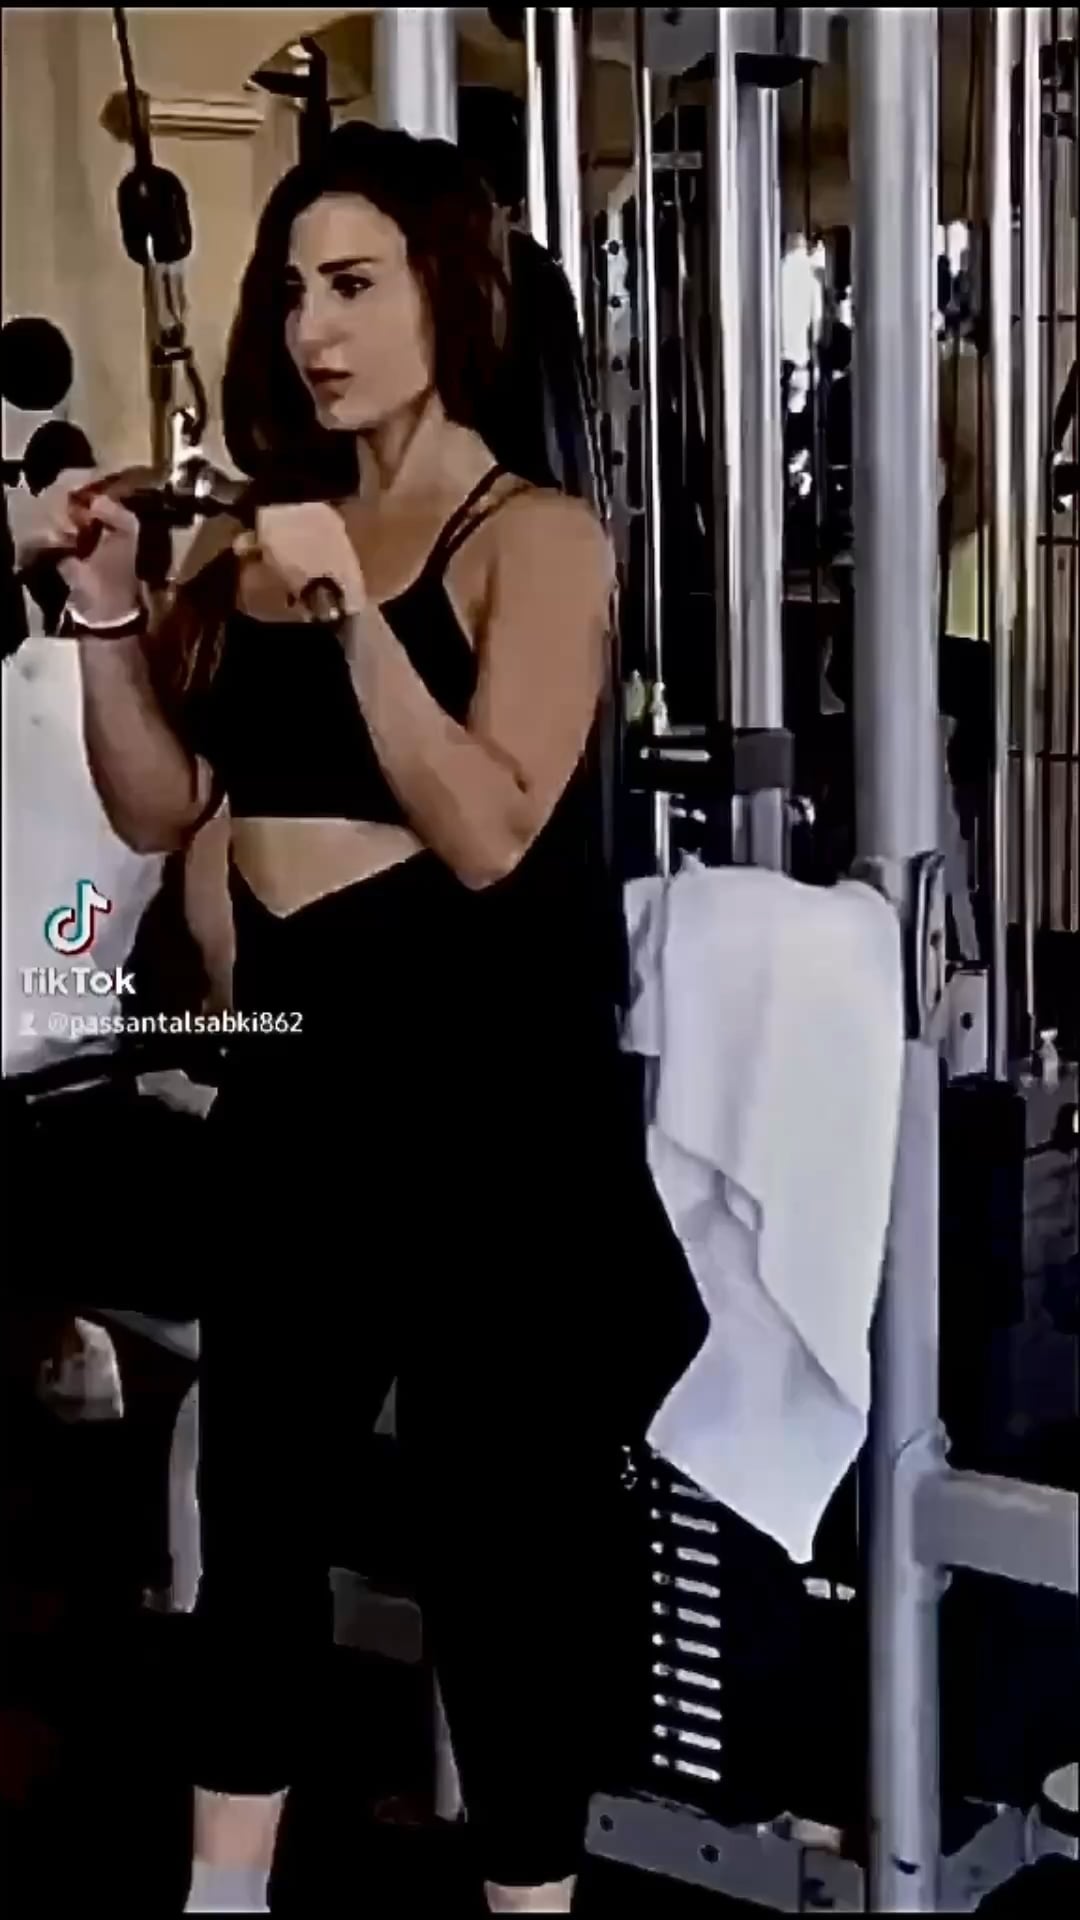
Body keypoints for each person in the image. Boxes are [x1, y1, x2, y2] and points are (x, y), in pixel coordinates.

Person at [21, 122, 705, 1914]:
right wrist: (107, 615)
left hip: (492, 1120)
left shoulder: (534, 538)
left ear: (448, 295)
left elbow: (490, 832)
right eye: (291, 291)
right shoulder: (254, 540)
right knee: (255, 1534)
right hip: (305, 1105)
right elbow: (161, 810)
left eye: (351, 285)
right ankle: (221, 1901)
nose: (311, 329)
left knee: (504, 1566)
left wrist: (348, 606)